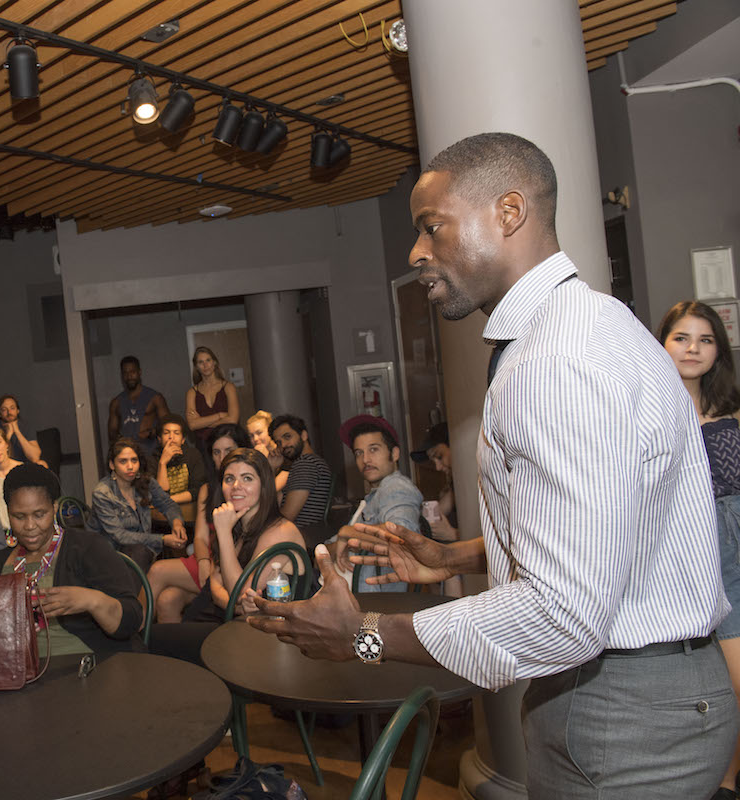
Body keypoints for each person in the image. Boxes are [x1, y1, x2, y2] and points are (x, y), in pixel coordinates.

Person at [250, 132, 736, 798]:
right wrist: (462, 557)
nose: (417, 251)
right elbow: (611, 523)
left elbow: (567, 611)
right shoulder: (591, 321)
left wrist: (366, 633)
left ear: (509, 213)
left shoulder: (554, 362)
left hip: (625, 706)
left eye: (432, 227)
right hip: (639, 693)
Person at [660, 300, 740, 799]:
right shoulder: (649, 405)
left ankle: (727, 783)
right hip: (689, 552)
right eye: (681, 337)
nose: (693, 348)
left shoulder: (731, 406)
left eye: (705, 339)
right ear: (661, 342)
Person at [149, 448, 305, 664]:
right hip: (235, 619)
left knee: (154, 641)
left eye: (247, 478)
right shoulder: (238, 526)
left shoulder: (279, 531)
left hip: (269, 639)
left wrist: (222, 533)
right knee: (164, 634)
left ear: (265, 485)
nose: (236, 487)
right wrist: (238, 605)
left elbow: (238, 590)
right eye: (229, 479)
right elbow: (215, 583)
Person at [0, 463, 143, 657]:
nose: (30, 525)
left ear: (55, 507)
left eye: (39, 514)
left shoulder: (87, 548)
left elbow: (132, 619)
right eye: (19, 516)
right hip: (16, 672)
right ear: (8, 513)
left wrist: (92, 601)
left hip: (86, 668)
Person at [148, 424, 250, 623]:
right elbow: (201, 537)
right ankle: (168, 651)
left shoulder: (248, 487)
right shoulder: (208, 489)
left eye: (229, 450)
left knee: (157, 570)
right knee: (167, 600)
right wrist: (204, 562)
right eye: (216, 452)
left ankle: (134, 634)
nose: (223, 458)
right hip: (206, 558)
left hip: (232, 564)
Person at [331, 415, 422, 593]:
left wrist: (348, 533)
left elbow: (404, 534)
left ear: (394, 454)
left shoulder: (395, 487)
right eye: (359, 453)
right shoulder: (375, 495)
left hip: (371, 607)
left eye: (373, 449)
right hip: (347, 596)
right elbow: (332, 546)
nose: (365, 459)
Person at [88, 438, 187, 572]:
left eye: (134, 460)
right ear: (112, 465)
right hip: (108, 553)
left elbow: (167, 504)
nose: (130, 466)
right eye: (123, 461)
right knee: (141, 552)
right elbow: (120, 535)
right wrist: (162, 539)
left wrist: (177, 523)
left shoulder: (145, 481)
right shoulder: (102, 493)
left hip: (141, 548)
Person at [269, 414, 333, 545]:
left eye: (287, 437)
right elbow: (276, 503)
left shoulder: (306, 463)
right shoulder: (313, 462)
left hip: (300, 541)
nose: (284, 445)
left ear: (304, 435)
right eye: (278, 442)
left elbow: (287, 516)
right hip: (305, 538)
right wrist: (272, 468)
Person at [107, 356, 170, 456]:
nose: (129, 376)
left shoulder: (155, 398)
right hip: (129, 456)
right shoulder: (116, 403)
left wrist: (151, 433)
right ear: (122, 375)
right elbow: (112, 434)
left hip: (152, 455)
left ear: (139, 372)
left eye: (132, 372)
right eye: (125, 373)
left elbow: (168, 426)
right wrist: (122, 443)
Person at [408, 422, 459, 541]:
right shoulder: (454, 489)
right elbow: (439, 511)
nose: (437, 467)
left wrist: (453, 534)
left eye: (440, 457)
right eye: (433, 461)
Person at [184, 347, 240, 452]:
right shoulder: (192, 393)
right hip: (203, 447)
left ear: (214, 362)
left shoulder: (228, 387)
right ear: (196, 366)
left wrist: (202, 422)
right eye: (201, 362)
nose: (205, 365)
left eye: (208, 360)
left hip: (227, 443)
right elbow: (192, 425)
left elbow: (233, 420)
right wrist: (220, 416)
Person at [155, 414, 207, 507]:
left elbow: (198, 490)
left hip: (189, 509)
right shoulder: (152, 459)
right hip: (162, 513)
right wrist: (162, 463)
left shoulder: (193, 455)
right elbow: (158, 495)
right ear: (159, 439)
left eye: (176, 433)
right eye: (166, 433)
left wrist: (168, 500)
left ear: (183, 440)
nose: (171, 437)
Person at [0, 394, 47, 467]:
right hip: (3, 466)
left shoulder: (26, 426)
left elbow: (35, 458)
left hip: (24, 465)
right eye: (4, 409)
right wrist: (8, 435)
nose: (9, 412)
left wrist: (17, 432)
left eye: (12, 408)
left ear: (17, 410)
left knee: (41, 464)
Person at [245, 411, 288, 492]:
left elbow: (269, 491)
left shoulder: (284, 454)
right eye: (251, 435)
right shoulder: (251, 458)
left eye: (259, 433)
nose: (255, 439)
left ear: (270, 431)